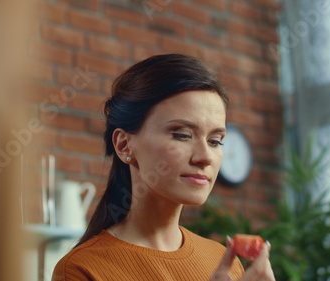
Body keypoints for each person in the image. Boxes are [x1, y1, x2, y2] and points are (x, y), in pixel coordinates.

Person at [52, 54, 275, 281]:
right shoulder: (81, 269)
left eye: (215, 141)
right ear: (124, 145)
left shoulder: (224, 263)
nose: (205, 157)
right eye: (182, 135)